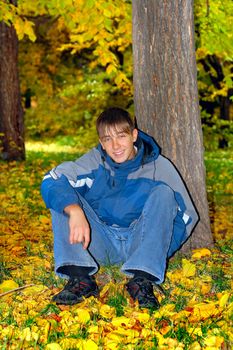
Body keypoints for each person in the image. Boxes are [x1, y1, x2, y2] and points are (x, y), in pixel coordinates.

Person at [41, 107, 198, 309]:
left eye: (121, 136)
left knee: (164, 194)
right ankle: (80, 278)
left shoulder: (160, 167)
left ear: (134, 135)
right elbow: (53, 178)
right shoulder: (94, 161)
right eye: (107, 139)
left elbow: (186, 216)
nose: (115, 145)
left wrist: (157, 249)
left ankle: (142, 279)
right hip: (100, 241)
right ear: (101, 143)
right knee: (62, 197)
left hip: (139, 242)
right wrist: (74, 210)